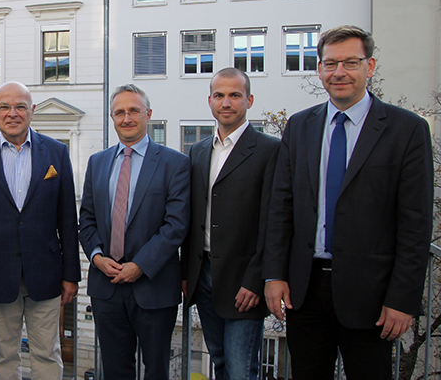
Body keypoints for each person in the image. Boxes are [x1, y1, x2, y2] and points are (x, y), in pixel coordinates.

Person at [263, 25, 433, 380]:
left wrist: (402, 299)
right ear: (320, 69)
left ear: (369, 67)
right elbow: (281, 207)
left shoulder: (406, 130)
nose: (339, 72)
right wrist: (275, 274)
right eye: (330, 64)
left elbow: (416, 223)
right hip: (304, 290)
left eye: (351, 63)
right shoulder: (299, 126)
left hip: (371, 294)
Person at [0, 81, 80, 380]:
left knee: (47, 355)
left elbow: (67, 218)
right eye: (5, 107)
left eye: (20, 107)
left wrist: (71, 274)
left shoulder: (57, 152)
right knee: (4, 357)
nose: (13, 113)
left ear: (32, 111)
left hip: (46, 274)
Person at [79, 83, 190, 380]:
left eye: (133, 111)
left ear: (148, 114)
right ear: (112, 118)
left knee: (156, 370)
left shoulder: (174, 163)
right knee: (115, 371)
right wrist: (97, 256)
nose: (126, 118)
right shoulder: (97, 162)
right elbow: (86, 218)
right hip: (107, 286)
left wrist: (140, 266)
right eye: (119, 113)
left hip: (153, 287)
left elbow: (176, 225)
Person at [181, 68, 279, 380]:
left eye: (234, 95)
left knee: (241, 370)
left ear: (249, 99)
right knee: (220, 363)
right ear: (209, 101)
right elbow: (192, 218)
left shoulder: (269, 150)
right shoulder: (197, 151)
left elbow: (273, 222)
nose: (227, 102)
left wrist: (256, 280)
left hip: (244, 280)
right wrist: (187, 274)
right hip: (205, 275)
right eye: (219, 95)